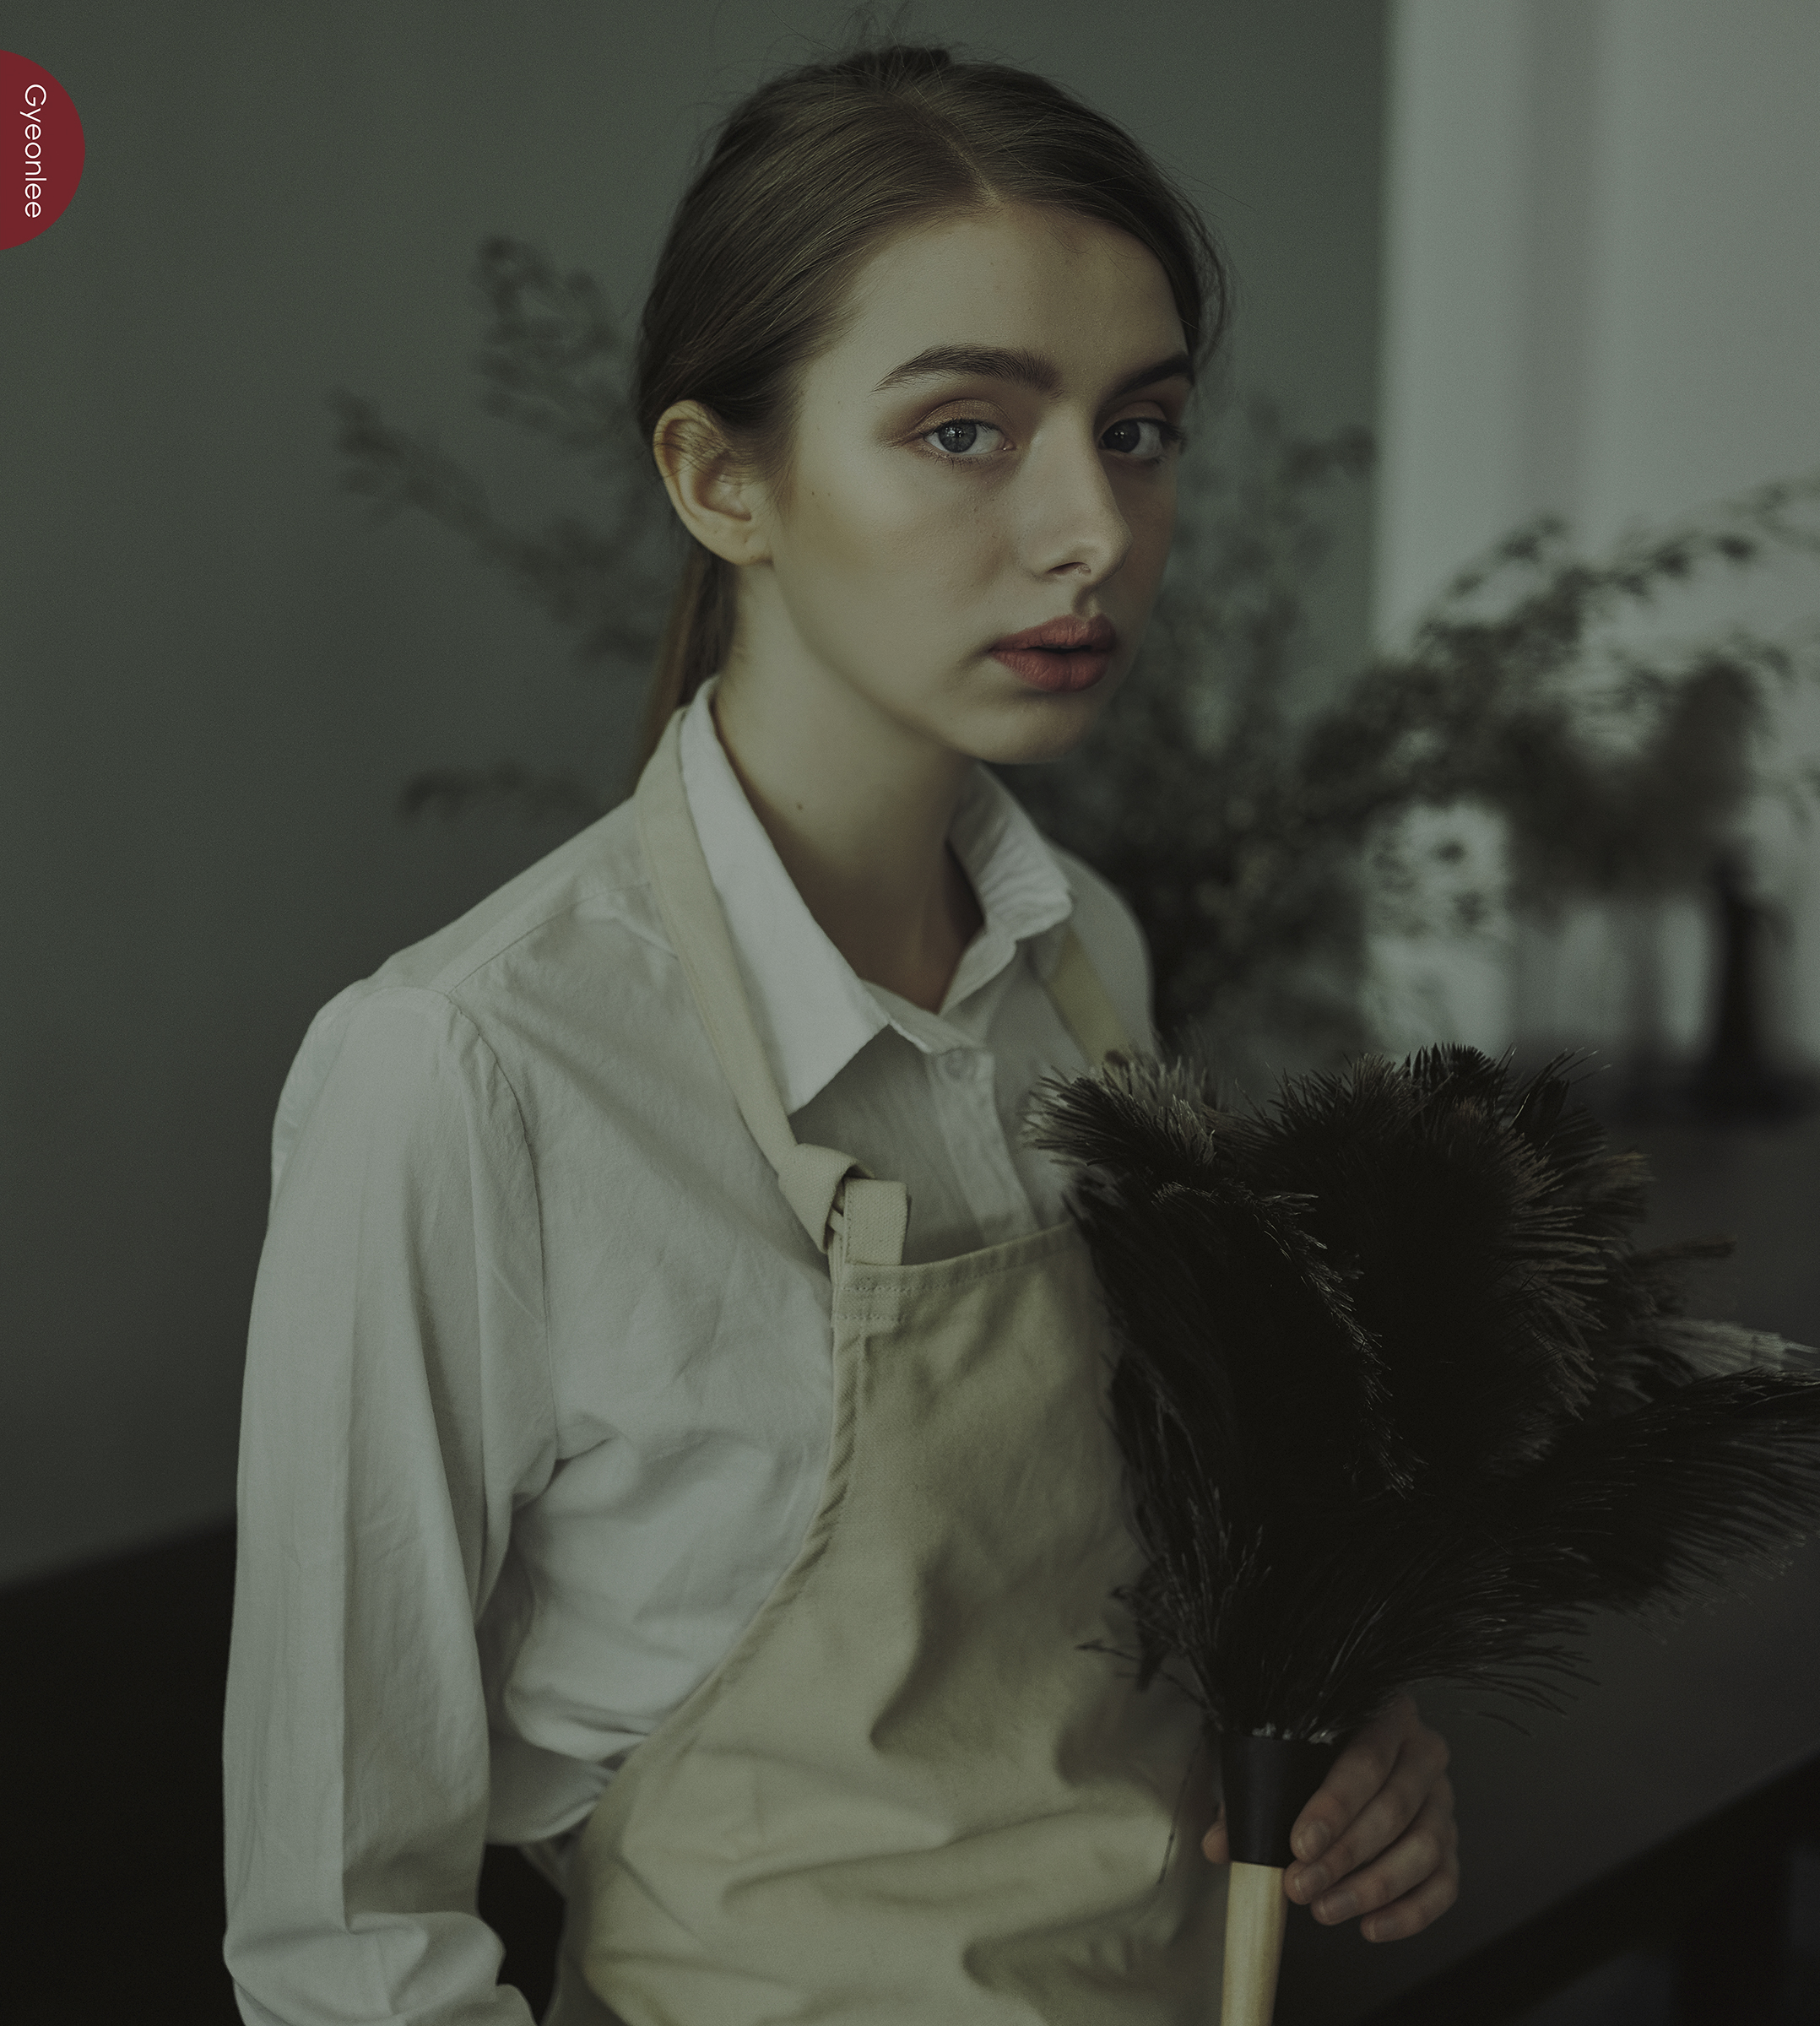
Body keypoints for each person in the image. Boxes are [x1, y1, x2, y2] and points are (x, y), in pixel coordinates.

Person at [223, 42, 1459, 2026]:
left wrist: (1329, 1732)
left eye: (1139, 430)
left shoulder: (1088, 960)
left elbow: (1112, 1604)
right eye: (966, 430)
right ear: (722, 479)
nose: (1091, 527)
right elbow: (343, 1940)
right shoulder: (464, 1073)